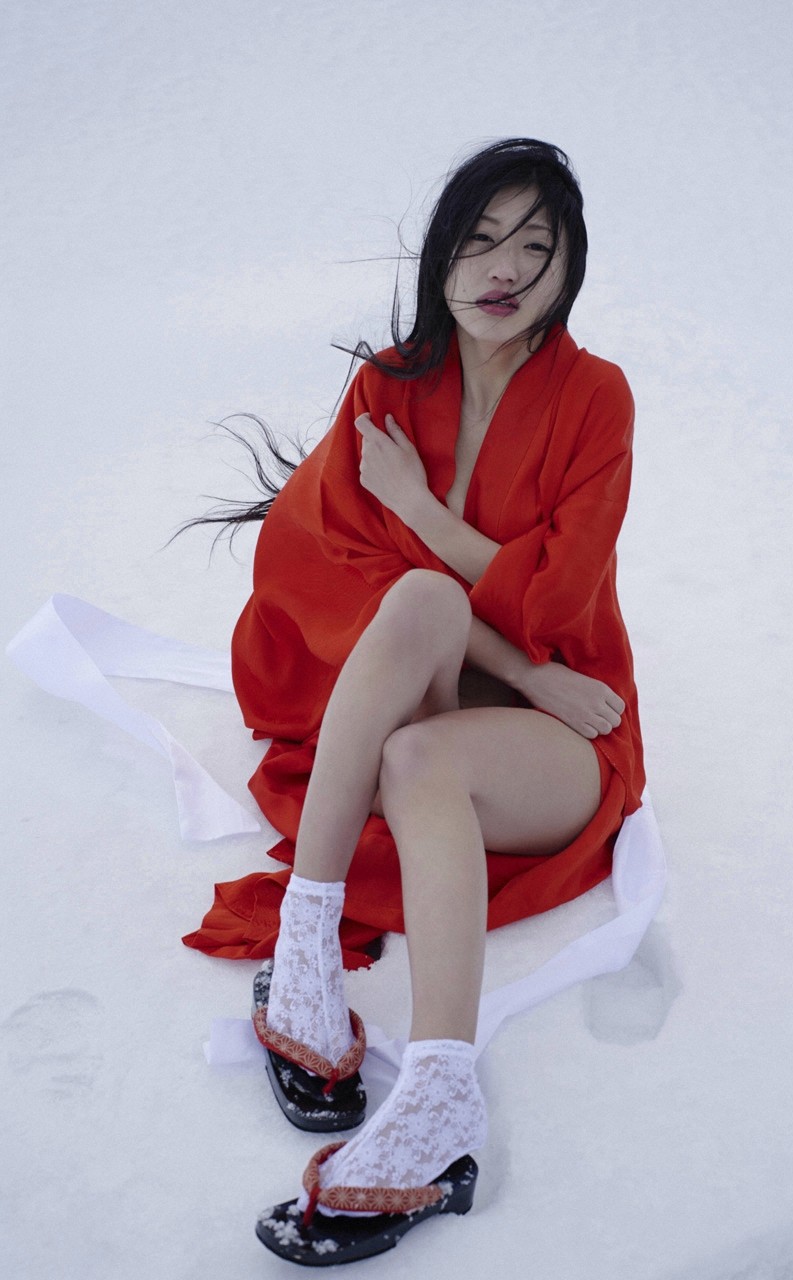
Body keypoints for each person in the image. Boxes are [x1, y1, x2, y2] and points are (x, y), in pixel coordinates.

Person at [189, 138, 644, 1264]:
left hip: (559, 726)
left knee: (416, 747)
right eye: (480, 240)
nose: (505, 269)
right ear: (441, 255)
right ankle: (304, 954)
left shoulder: (595, 398)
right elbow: (340, 570)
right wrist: (487, 623)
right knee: (418, 603)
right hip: (438, 683)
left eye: (535, 246)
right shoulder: (390, 386)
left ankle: (441, 1095)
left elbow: (557, 597)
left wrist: (428, 520)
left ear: (569, 267)